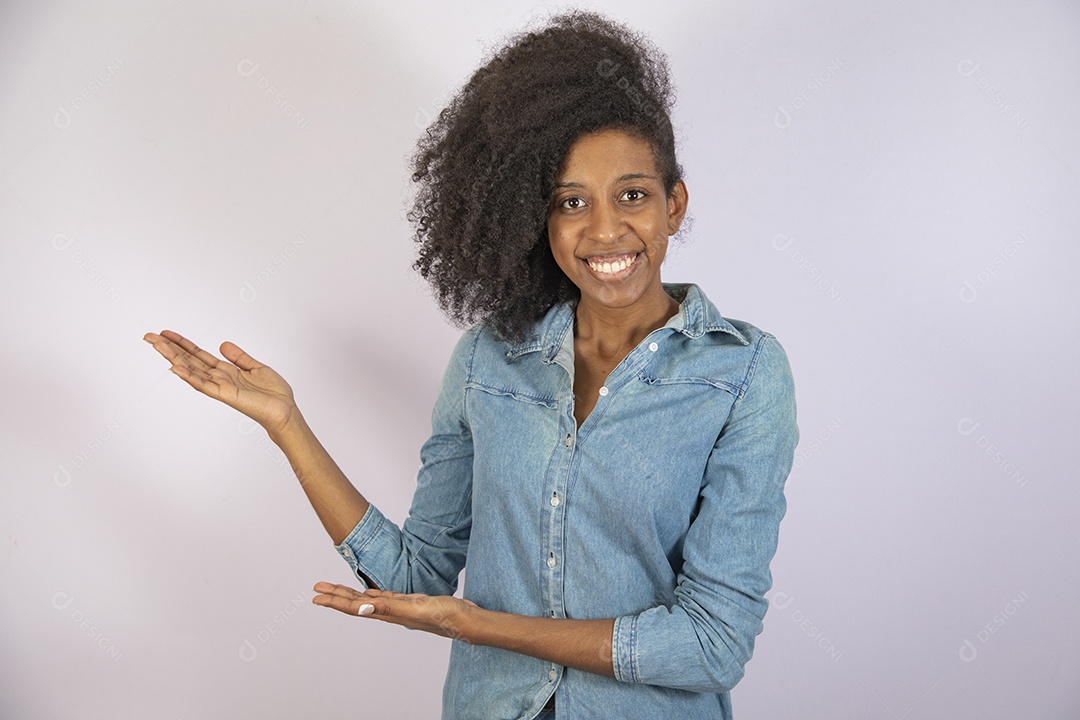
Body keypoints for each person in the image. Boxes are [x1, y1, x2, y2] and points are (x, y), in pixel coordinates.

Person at [144, 10, 798, 719]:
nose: (605, 228)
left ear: (675, 204)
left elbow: (712, 645)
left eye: (632, 195)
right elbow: (414, 576)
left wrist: (477, 625)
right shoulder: (489, 360)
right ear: (537, 220)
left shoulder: (743, 374)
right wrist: (287, 424)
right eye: (570, 202)